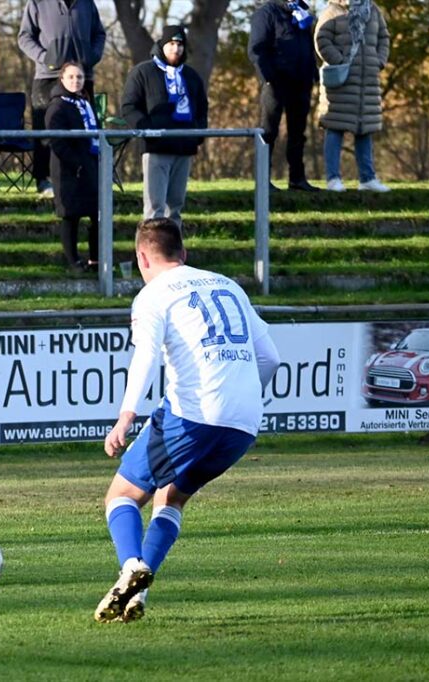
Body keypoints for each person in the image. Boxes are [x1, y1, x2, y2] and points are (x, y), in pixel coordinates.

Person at [94, 217, 280, 623]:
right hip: (244, 422)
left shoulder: (153, 295)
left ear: (142, 256)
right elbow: (271, 358)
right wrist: (241, 395)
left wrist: (125, 416)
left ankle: (130, 567)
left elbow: (144, 356)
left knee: (122, 496)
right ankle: (137, 595)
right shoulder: (228, 284)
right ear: (185, 253)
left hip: (195, 413)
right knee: (172, 498)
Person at [120, 25, 208, 225]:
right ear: (161, 45)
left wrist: (198, 134)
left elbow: (202, 108)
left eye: (180, 44)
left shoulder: (192, 76)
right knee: (154, 209)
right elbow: (129, 107)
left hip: (184, 148)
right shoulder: (142, 72)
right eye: (171, 44)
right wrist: (147, 129)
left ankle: (173, 254)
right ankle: (148, 255)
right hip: (156, 149)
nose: (176, 49)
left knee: (175, 208)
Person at [18, 0, 106, 198]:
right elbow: (24, 37)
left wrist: (92, 56)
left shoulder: (87, 3)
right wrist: (44, 57)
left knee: (86, 129)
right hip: (47, 77)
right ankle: (44, 179)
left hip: (82, 77)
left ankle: (86, 175)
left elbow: (99, 34)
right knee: (45, 130)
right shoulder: (37, 3)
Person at [315, 0, 391, 193]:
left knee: (365, 129)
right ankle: (333, 179)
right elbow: (321, 39)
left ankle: (367, 178)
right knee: (335, 128)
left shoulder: (373, 9)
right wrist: (340, 61)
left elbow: (384, 37)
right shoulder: (331, 11)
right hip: (341, 80)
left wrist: (379, 61)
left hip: (367, 82)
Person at [249, 0, 320, 192]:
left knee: (298, 133)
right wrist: (268, 78)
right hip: (276, 82)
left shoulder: (302, 11)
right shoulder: (266, 12)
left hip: (301, 81)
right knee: (268, 132)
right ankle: (263, 180)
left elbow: (307, 46)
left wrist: (313, 71)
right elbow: (256, 49)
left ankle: (297, 179)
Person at [45, 62, 100, 271]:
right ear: (62, 79)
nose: (75, 81)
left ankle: (96, 260)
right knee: (71, 215)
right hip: (69, 169)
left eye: (79, 77)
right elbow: (56, 141)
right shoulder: (57, 106)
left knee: (97, 214)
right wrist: (75, 164)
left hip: (91, 165)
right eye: (71, 77)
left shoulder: (85, 102)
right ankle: (73, 261)